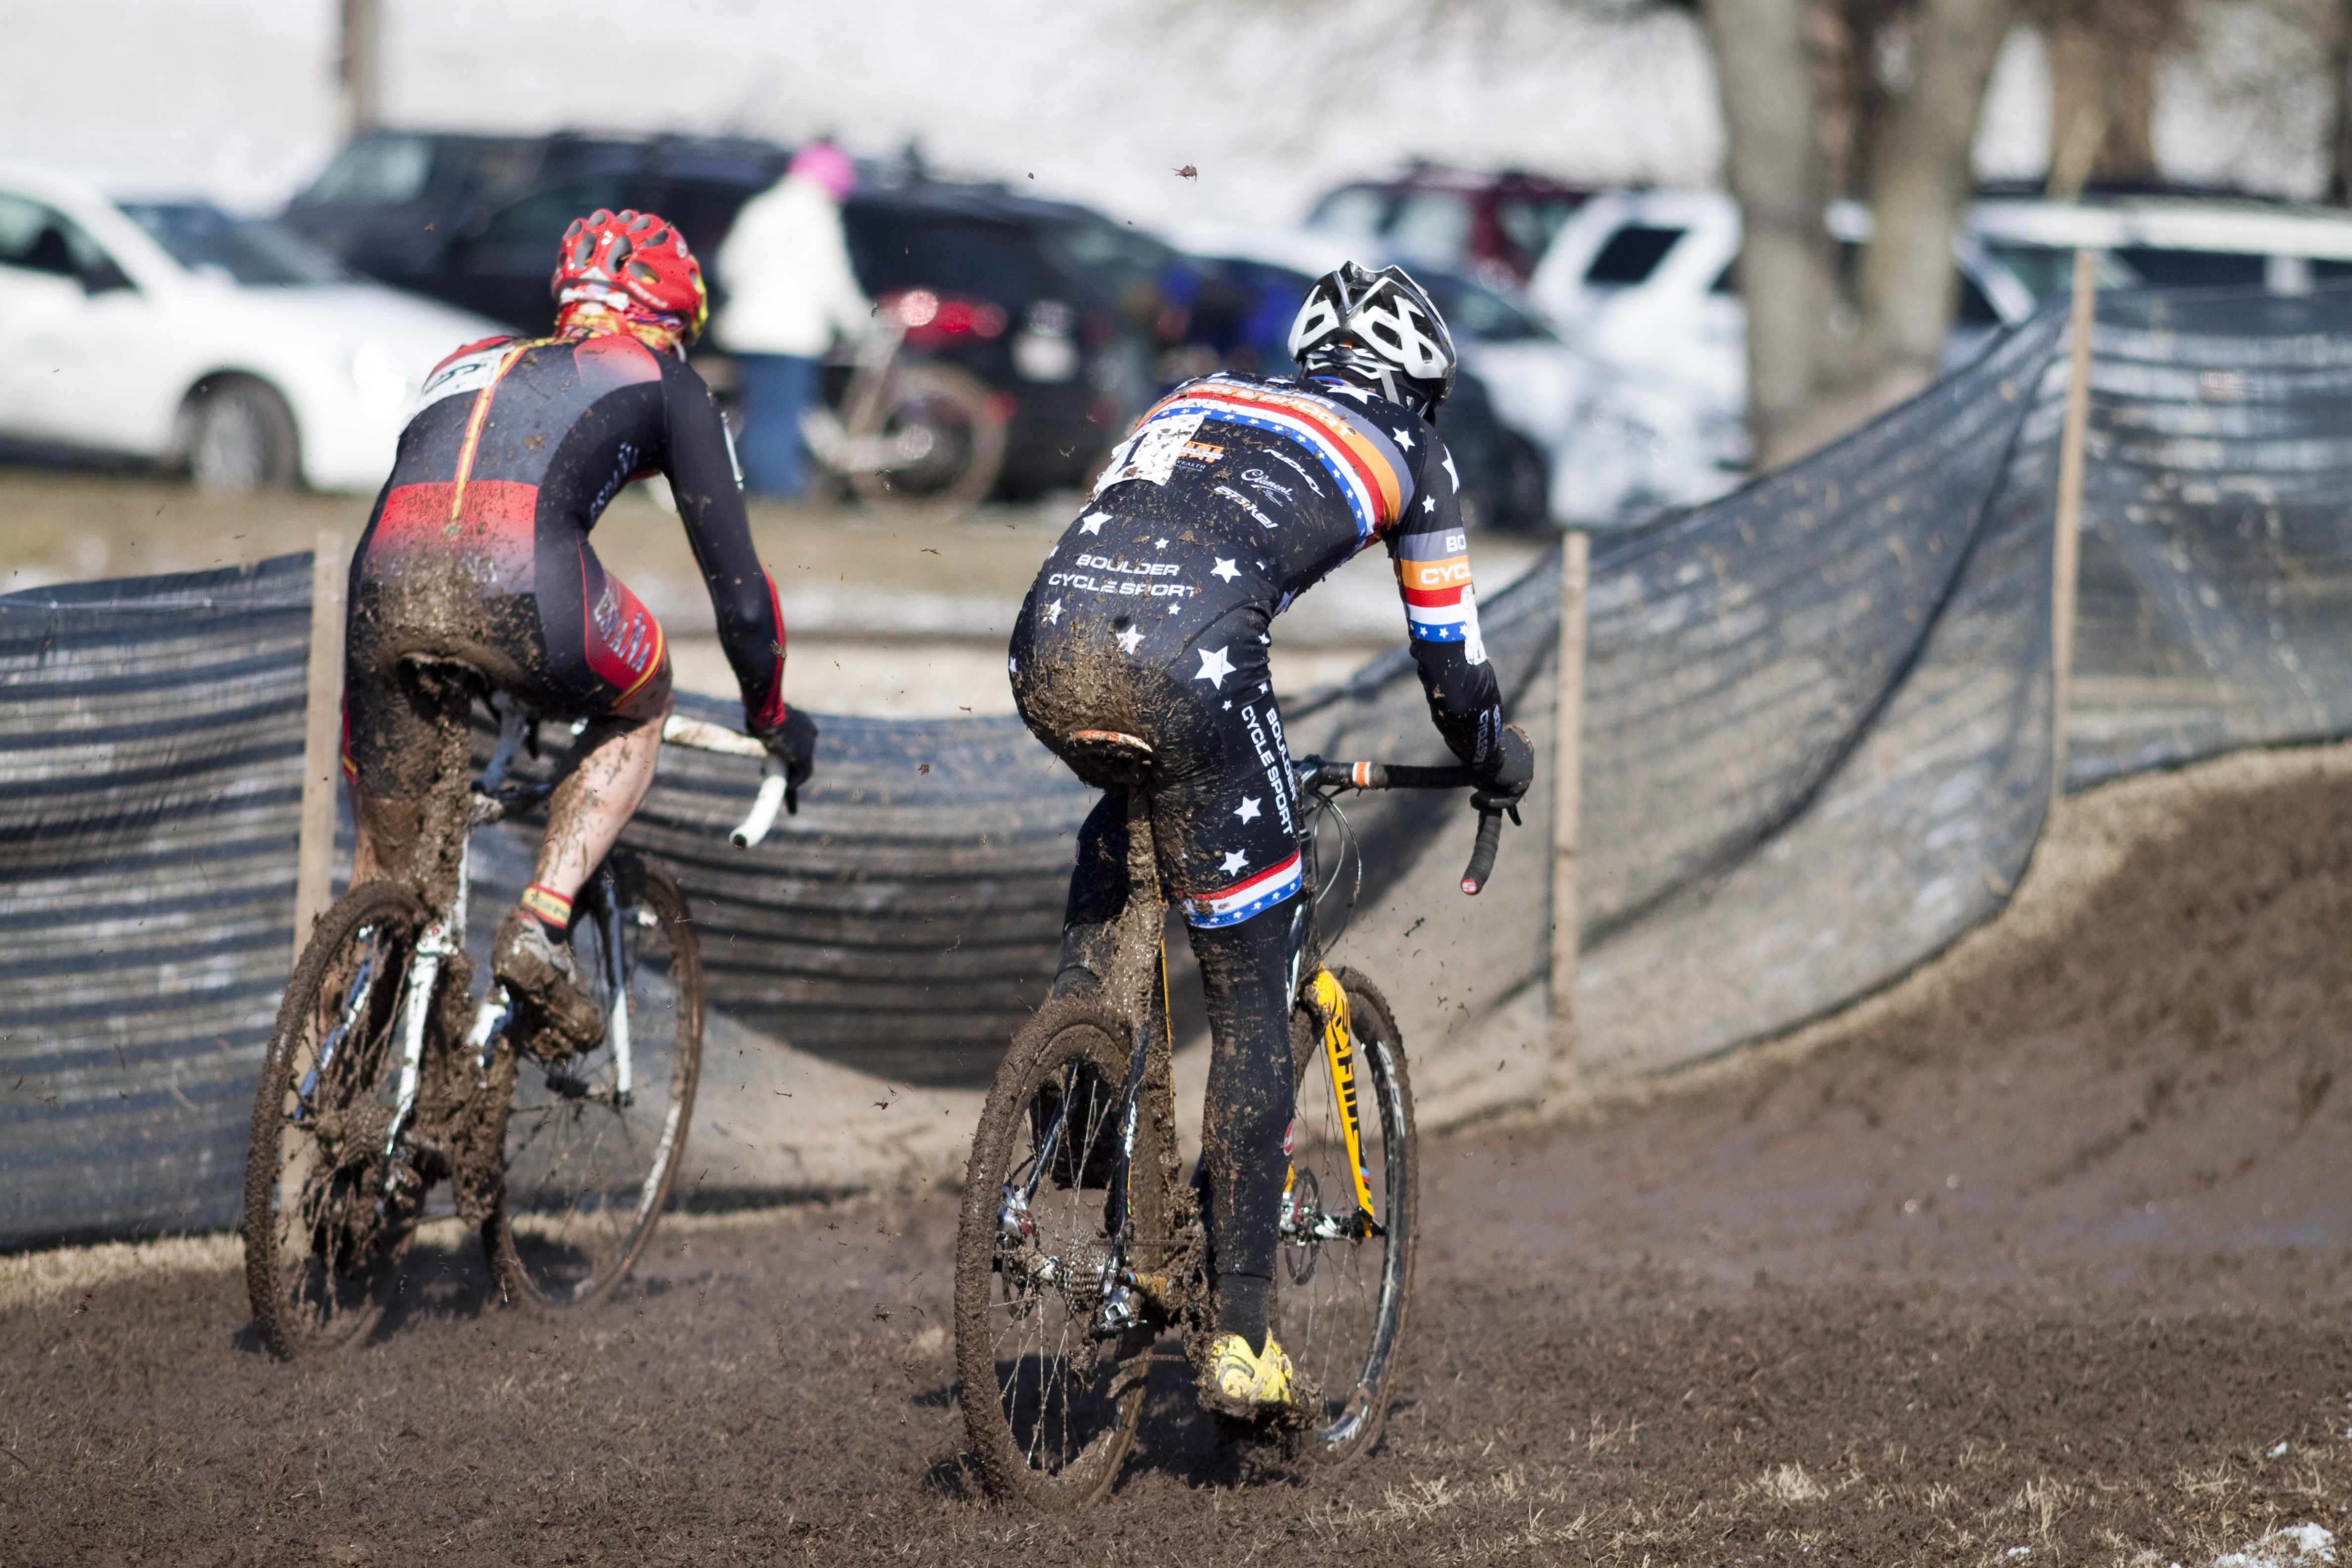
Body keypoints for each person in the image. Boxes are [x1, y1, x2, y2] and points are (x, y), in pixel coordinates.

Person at [1006, 261, 1534, 1417]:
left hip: (1044, 640)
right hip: (1191, 668)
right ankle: (1239, 1337)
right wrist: (1492, 750)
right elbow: (1446, 657)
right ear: (1422, 380)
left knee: (1131, 808)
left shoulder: (1195, 395)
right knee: (1255, 989)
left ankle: (1081, 1111)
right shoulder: (1411, 444)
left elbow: (1125, 538)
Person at [343, 207, 818, 1052]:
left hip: (380, 589)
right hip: (524, 585)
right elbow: (743, 598)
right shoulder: (665, 378)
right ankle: (541, 920)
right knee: (644, 692)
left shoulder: (465, 359)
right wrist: (773, 715)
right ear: (671, 318)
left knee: (384, 871)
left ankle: (331, 1084)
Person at [713, 141, 871, 498]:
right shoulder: (817, 217)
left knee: (759, 414)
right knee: (780, 419)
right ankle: (776, 495)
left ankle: (757, 489)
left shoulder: (761, 209)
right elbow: (831, 281)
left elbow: (729, 267)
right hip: (792, 336)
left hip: (749, 331)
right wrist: (859, 323)